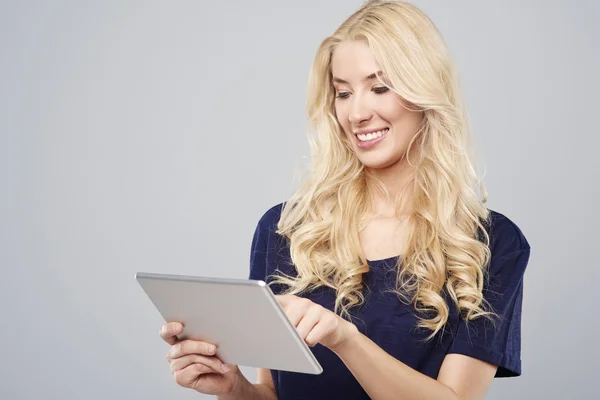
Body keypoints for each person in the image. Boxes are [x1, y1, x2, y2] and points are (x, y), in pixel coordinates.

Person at [160, 1, 531, 399]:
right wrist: (232, 387)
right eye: (342, 92)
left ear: (425, 92)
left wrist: (344, 338)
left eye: (379, 87)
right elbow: (272, 391)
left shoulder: (488, 243)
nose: (356, 113)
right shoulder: (286, 230)